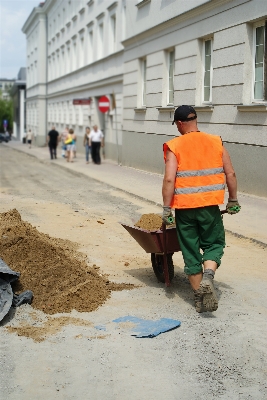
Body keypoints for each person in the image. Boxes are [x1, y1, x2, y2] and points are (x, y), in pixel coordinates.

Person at [162, 105, 241, 313]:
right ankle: (209, 276)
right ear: (195, 120)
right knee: (214, 243)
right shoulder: (216, 142)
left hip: (185, 209)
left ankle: (199, 298)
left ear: (179, 124)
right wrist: (232, 200)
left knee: (190, 250)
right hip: (209, 207)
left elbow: (169, 179)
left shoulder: (174, 145)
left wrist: (166, 209)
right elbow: (230, 174)